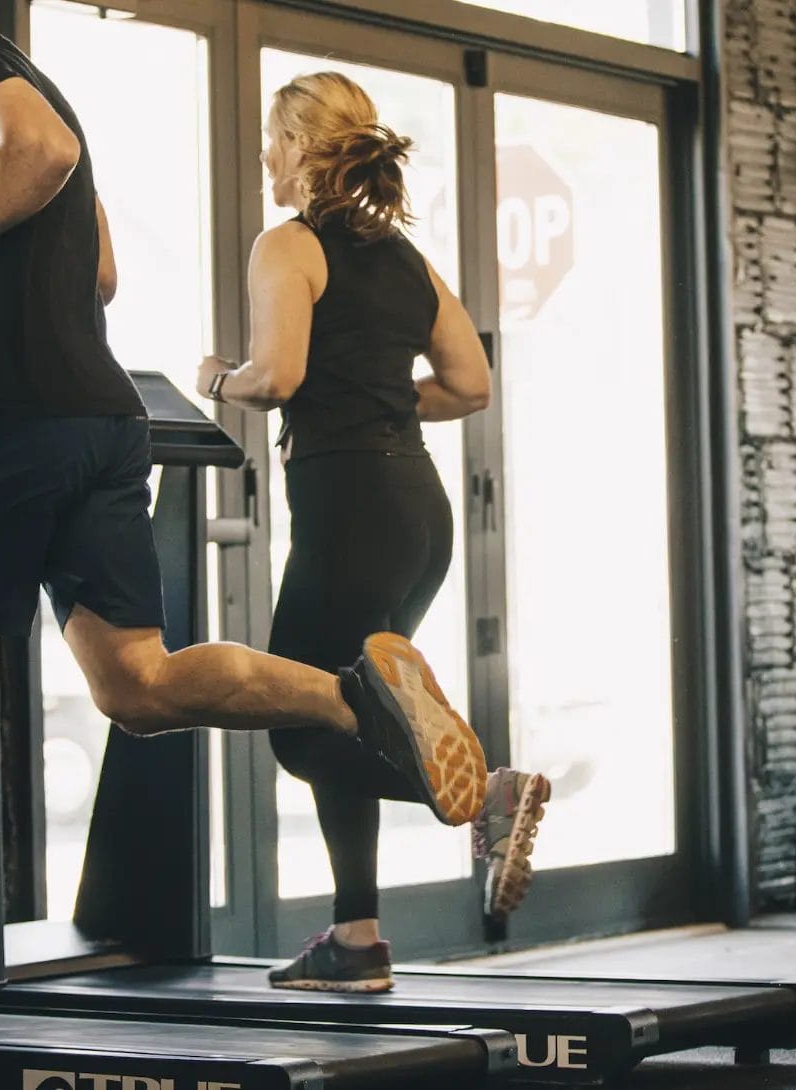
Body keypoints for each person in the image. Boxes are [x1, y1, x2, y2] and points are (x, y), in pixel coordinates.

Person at [0, 0, 487, 1018]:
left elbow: (40, 153)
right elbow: (100, 269)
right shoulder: (43, 89)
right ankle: (351, 698)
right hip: (102, 422)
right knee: (136, 685)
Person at [197, 72, 551, 993]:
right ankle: (356, 938)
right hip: (415, 514)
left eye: (272, 143)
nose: (265, 160)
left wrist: (216, 378)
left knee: (296, 724)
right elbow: (471, 385)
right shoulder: (405, 260)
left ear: (298, 148)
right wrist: (388, 403)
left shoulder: (288, 245)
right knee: (349, 704)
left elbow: (275, 376)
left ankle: (490, 803)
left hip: (347, 507)